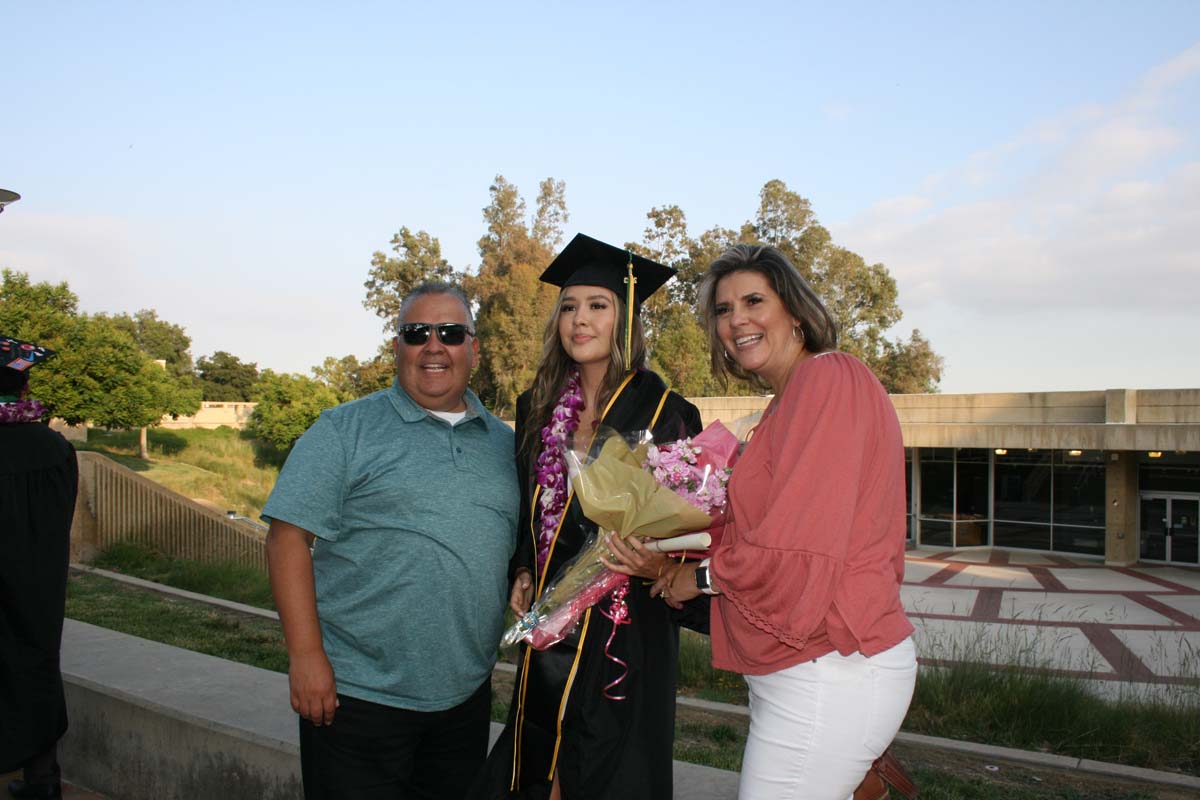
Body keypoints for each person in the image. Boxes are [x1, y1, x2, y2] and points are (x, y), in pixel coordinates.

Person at [654, 245, 918, 799]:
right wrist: (659, 553)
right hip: (802, 667)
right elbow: (753, 530)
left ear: (796, 312)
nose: (736, 320)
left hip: (833, 665)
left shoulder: (830, 379)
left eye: (754, 301)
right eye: (723, 311)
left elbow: (798, 543)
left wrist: (697, 579)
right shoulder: (784, 404)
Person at [262, 283, 519, 800]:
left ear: (473, 348)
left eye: (450, 332)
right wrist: (306, 656)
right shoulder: (344, 429)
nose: (433, 346)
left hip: (463, 700)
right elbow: (287, 539)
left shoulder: (506, 444)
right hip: (357, 698)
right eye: (416, 332)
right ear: (396, 347)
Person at [477, 233, 705, 800]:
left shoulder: (666, 412)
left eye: (598, 307)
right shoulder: (538, 405)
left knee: (609, 766)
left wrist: (658, 563)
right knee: (538, 761)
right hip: (553, 622)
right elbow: (528, 504)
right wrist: (524, 568)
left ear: (625, 320)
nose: (580, 320)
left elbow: (695, 528)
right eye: (570, 308)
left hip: (624, 630)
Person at [0, 337, 78, 800]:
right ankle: (43, 778)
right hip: (40, 579)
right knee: (38, 663)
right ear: (23, 382)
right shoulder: (53, 446)